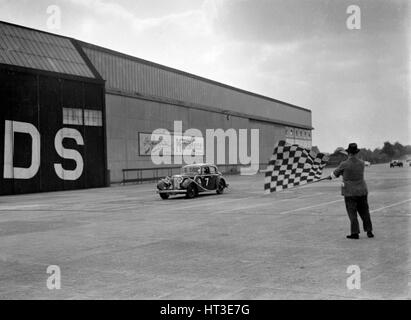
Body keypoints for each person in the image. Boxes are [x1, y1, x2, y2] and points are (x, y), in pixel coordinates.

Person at [327, 143, 374, 239]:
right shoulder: (362, 163)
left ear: (348, 153)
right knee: (365, 212)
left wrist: (330, 176)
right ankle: (369, 231)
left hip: (350, 192)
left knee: (352, 214)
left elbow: (335, 174)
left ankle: (355, 233)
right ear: (356, 152)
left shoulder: (344, 164)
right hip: (362, 190)